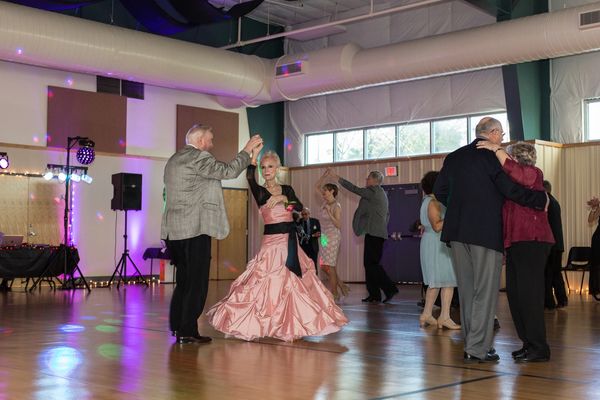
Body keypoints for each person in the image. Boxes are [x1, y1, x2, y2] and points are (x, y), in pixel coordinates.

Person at [434, 117, 548, 363]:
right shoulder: (492, 156)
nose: (503, 139)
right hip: (485, 232)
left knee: (465, 290)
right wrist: (539, 200)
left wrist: (458, 209)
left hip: (456, 233)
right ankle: (477, 349)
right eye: (502, 134)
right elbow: (509, 189)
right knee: (484, 292)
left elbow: (440, 191)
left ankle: (471, 344)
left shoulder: (453, 157)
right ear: (493, 134)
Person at [207, 150, 348, 342]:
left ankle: (290, 325)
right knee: (266, 282)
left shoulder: (287, 189)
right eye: (263, 167)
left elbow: (298, 208)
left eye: (270, 166)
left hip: (289, 242)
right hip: (271, 244)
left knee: (293, 285)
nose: (266, 170)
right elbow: (250, 176)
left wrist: (283, 199)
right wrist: (253, 157)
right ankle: (263, 323)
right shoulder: (260, 191)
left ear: (277, 169)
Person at [161, 124, 263, 344]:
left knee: (184, 281)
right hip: (195, 229)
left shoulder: (173, 160)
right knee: (196, 283)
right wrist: (246, 151)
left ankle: (178, 327)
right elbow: (227, 171)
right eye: (210, 139)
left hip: (174, 232)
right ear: (200, 142)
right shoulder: (198, 157)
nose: (212, 144)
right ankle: (188, 331)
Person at [477, 140, 554, 363]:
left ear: (515, 159)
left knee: (529, 296)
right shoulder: (514, 187)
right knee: (516, 295)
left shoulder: (533, 174)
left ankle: (539, 347)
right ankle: (528, 344)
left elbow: (518, 174)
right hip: (517, 243)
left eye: (508, 157)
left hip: (533, 241)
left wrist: (497, 150)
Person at [327, 169, 398, 303]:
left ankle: (390, 288)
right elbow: (387, 215)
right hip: (375, 233)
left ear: (374, 180)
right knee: (369, 264)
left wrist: (337, 177)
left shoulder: (373, 191)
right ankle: (374, 295)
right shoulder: (381, 193)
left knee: (372, 264)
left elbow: (354, 189)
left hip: (375, 234)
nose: (366, 180)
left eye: (368, 178)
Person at [418, 171, 460, 330]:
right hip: (437, 243)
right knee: (447, 280)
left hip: (433, 242)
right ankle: (444, 316)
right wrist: (454, 216)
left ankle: (427, 314)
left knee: (437, 281)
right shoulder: (433, 202)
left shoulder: (428, 200)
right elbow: (436, 226)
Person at [314, 173, 350, 301]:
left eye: (325, 191)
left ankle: (334, 293)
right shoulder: (324, 202)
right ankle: (341, 285)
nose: (323, 193)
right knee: (324, 266)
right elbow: (316, 186)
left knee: (330, 265)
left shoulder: (336, 206)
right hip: (324, 237)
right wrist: (325, 175)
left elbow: (339, 225)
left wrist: (330, 213)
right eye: (323, 191)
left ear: (332, 191)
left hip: (333, 237)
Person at [543, 180, 568, 309]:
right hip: (558, 244)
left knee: (548, 273)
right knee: (556, 273)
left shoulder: (546, 202)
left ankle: (549, 302)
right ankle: (562, 299)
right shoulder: (555, 202)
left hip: (550, 244)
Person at [297, 207, 321, 275]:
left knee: (314, 263)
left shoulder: (315, 221)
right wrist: (312, 235)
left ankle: (315, 279)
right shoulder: (299, 222)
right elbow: (301, 235)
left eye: (306, 214)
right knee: (304, 264)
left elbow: (319, 233)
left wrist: (316, 234)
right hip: (303, 247)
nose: (304, 216)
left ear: (309, 214)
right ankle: (306, 279)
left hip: (313, 246)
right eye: (303, 214)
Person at [587, 196, 600, 299]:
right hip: (598, 239)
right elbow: (590, 220)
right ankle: (597, 289)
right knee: (597, 265)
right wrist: (594, 208)